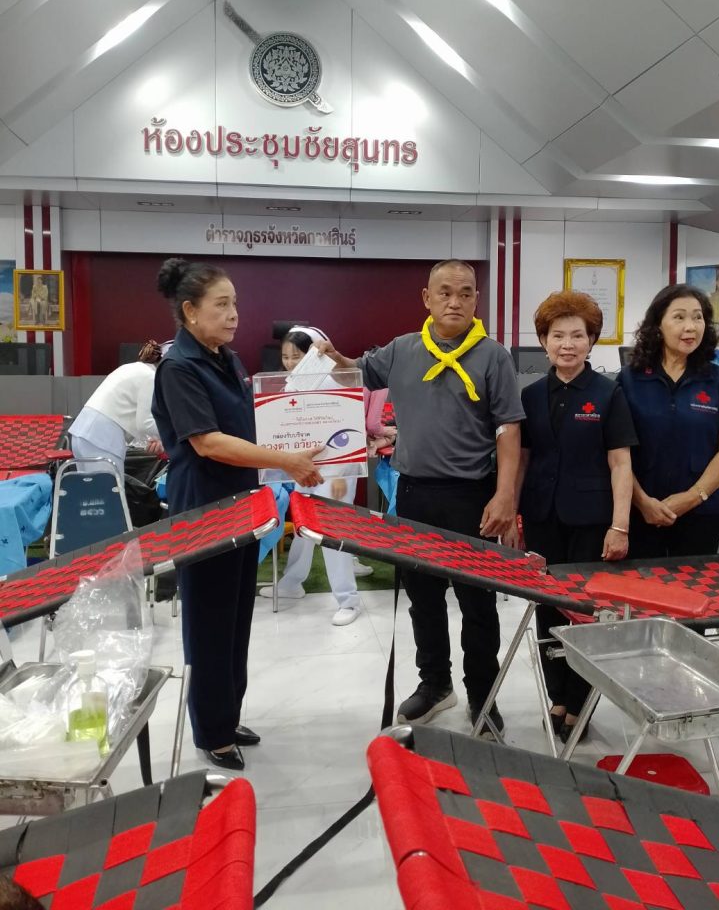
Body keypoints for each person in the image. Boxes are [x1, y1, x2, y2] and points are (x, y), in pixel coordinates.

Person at [318, 259, 523, 737]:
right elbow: (358, 371)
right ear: (427, 298)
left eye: (466, 293)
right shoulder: (403, 349)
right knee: (423, 599)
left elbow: (509, 429)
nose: (455, 301)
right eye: (445, 292)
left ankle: (482, 694)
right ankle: (435, 684)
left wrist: (505, 496)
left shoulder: (493, 356)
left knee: (478, 603)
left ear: (476, 300)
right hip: (414, 494)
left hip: (472, 496)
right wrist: (332, 357)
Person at [152, 258, 322, 771]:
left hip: (244, 504)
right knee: (208, 622)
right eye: (221, 305)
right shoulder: (180, 368)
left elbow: (252, 424)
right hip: (204, 509)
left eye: (235, 304)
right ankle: (211, 731)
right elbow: (208, 443)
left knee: (234, 620)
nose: (233, 315)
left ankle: (228, 716)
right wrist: (286, 460)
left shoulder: (225, 359)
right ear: (190, 311)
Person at [516, 291, 636, 744]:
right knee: (547, 607)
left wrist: (620, 525)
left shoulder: (609, 393)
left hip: (591, 520)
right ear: (543, 341)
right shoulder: (530, 395)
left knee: (584, 613)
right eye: (557, 335)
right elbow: (523, 460)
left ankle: (580, 701)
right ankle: (557, 697)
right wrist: (514, 515)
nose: (567, 344)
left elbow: (620, 463)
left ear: (591, 341)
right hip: (542, 517)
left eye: (578, 336)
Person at [619, 284, 719, 559]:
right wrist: (642, 502)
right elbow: (616, 451)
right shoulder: (630, 379)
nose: (691, 326)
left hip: (703, 512)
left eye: (698, 317)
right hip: (640, 513)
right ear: (658, 325)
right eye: (679, 317)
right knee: (640, 586)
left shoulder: (716, 379)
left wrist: (693, 497)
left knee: (696, 585)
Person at [259, 325, 362, 626]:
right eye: (285, 357)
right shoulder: (290, 385)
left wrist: (341, 475)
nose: (290, 362)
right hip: (304, 468)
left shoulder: (334, 380)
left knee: (332, 531)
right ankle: (292, 583)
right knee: (304, 528)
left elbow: (348, 427)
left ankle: (348, 600)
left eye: (297, 356)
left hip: (336, 470)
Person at [69, 340, 164, 478]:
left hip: (82, 433)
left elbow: (132, 416)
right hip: (102, 438)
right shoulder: (151, 377)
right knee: (109, 489)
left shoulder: (132, 368)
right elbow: (145, 424)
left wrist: (154, 439)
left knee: (90, 490)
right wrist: (172, 436)